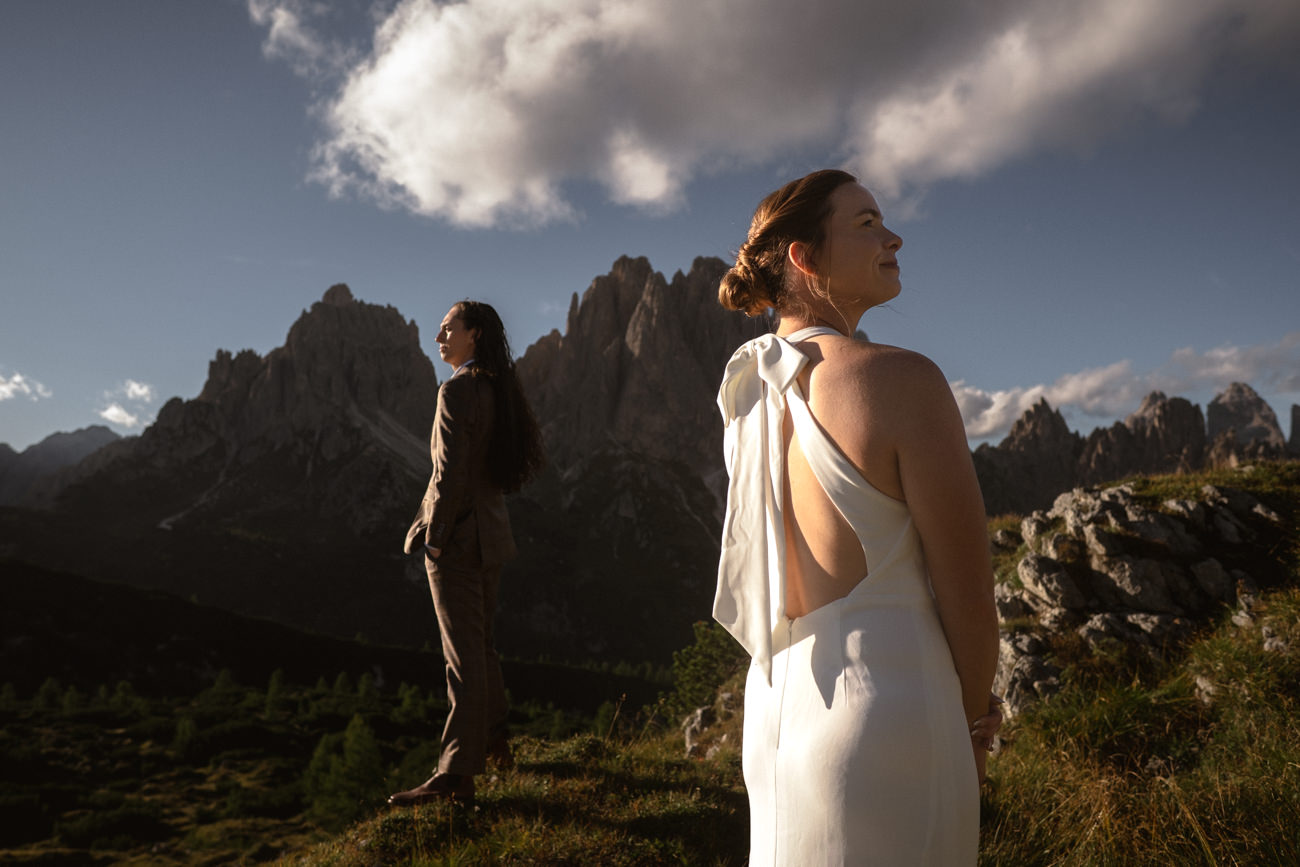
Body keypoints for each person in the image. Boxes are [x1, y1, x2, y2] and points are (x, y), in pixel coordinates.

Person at [712, 169, 1002, 864]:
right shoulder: (901, 380)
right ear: (803, 258)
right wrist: (974, 725)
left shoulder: (746, 402)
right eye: (867, 223)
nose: (894, 236)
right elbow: (969, 592)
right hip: (891, 712)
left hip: (776, 720)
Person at [388, 300, 544, 806]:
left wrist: (433, 536)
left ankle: (456, 774)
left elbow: (448, 475)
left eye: (447, 328)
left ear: (473, 334)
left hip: (457, 539)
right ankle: (495, 740)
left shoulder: (456, 389)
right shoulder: (500, 390)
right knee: (481, 647)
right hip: (492, 537)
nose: (438, 337)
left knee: (462, 659)